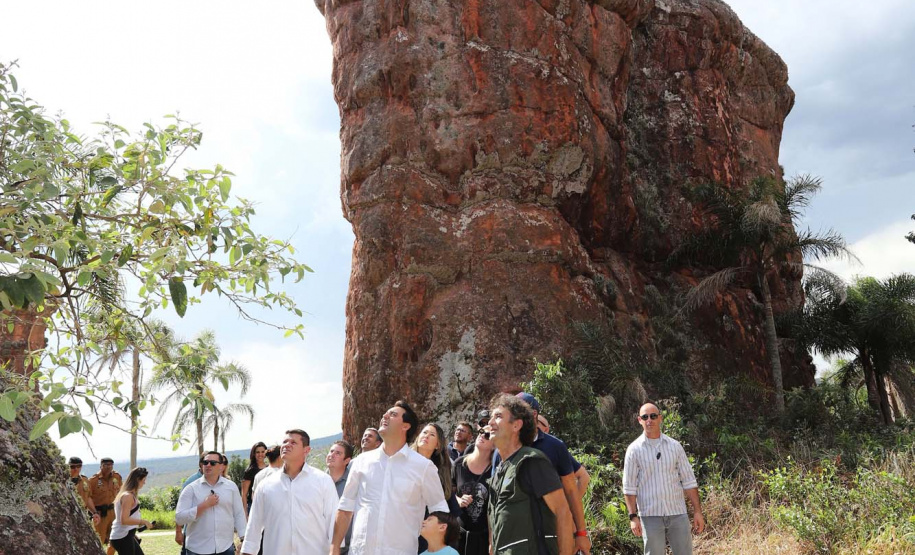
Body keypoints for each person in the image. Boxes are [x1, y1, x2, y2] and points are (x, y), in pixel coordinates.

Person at [332, 401, 449, 555]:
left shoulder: (424, 467)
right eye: (385, 414)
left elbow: (439, 510)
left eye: (393, 414)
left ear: (405, 426)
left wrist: (433, 549)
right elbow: (345, 508)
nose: (385, 416)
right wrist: (334, 549)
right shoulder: (361, 461)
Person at [500, 392, 591, 554]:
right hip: (516, 537)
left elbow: (572, 490)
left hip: (552, 533)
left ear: (533, 414)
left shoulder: (554, 446)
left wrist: (580, 532)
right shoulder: (502, 448)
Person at [487, 394, 574, 555]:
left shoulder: (531, 461)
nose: (490, 423)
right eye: (491, 417)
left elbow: (563, 512)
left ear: (516, 425)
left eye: (498, 416)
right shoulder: (499, 470)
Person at [623, 403, 705, 555]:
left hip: (677, 513)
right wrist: (633, 516)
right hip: (650, 516)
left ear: (660, 418)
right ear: (639, 420)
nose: (649, 420)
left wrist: (697, 511)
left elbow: (689, 481)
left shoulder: (675, 446)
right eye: (645, 417)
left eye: (653, 416)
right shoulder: (634, 450)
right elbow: (629, 487)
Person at [241, 429, 338, 555]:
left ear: (306, 450)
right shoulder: (265, 485)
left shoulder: (323, 481)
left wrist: (335, 551)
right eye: (285, 441)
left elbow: (333, 521)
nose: (286, 445)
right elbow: (254, 525)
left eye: (293, 442)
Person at [175, 450, 246, 555]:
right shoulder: (191, 488)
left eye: (212, 463)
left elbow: (239, 513)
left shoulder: (231, 487)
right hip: (198, 549)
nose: (208, 465)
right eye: (205, 462)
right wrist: (204, 506)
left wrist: (243, 538)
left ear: (221, 466)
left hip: (225, 547)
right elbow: (179, 518)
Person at [412, 423, 462, 552]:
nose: (426, 436)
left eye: (432, 434)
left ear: (438, 445)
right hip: (402, 527)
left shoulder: (441, 472)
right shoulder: (402, 462)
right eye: (424, 432)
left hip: (427, 535)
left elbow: (450, 510)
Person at [452, 427, 493, 555]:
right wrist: (458, 499)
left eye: (487, 435)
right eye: (481, 432)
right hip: (458, 534)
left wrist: (492, 541)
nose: (482, 435)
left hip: (484, 538)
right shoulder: (459, 464)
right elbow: (448, 492)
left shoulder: (495, 469)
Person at [536, 414, 590, 500]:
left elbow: (584, 477)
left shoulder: (555, 448)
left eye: (536, 422)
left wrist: (571, 507)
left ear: (546, 429)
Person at [110, 467, 153, 555]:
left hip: (127, 535)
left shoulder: (128, 495)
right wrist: (143, 521)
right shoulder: (127, 496)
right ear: (137, 479)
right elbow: (124, 520)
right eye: (143, 480)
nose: (144, 483)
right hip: (122, 536)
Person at [89, 457, 123, 554]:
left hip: (113, 512)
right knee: (98, 540)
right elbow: (88, 497)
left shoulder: (116, 477)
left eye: (110, 465)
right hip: (100, 513)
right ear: (101, 466)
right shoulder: (93, 480)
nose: (108, 467)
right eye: (105, 465)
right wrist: (94, 512)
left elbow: (121, 492)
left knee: (115, 540)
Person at [326, 440, 354, 555]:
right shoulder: (316, 481)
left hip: (349, 549)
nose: (331, 455)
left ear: (347, 460)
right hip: (322, 547)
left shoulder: (354, 482)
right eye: (331, 451)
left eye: (338, 453)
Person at [177, 456, 206, 554]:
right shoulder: (190, 482)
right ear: (201, 465)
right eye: (206, 462)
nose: (209, 465)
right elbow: (180, 509)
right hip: (192, 532)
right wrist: (178, 532)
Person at [69, 456, 100, 526]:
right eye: (73, 467)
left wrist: (94, 512)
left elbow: (88, 498)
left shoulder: (85, 480)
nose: (76, 469)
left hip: (82, 515)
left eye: (79, 466)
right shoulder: (63, 480)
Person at [241, 442, 268, 516]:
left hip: (268, 506)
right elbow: (244, 494)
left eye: (262, 452)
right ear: (254, 454)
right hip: (253, 506)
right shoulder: (250, 471)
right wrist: (245, 513)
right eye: (257, 452)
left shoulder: (269, 468)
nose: (260, 454)